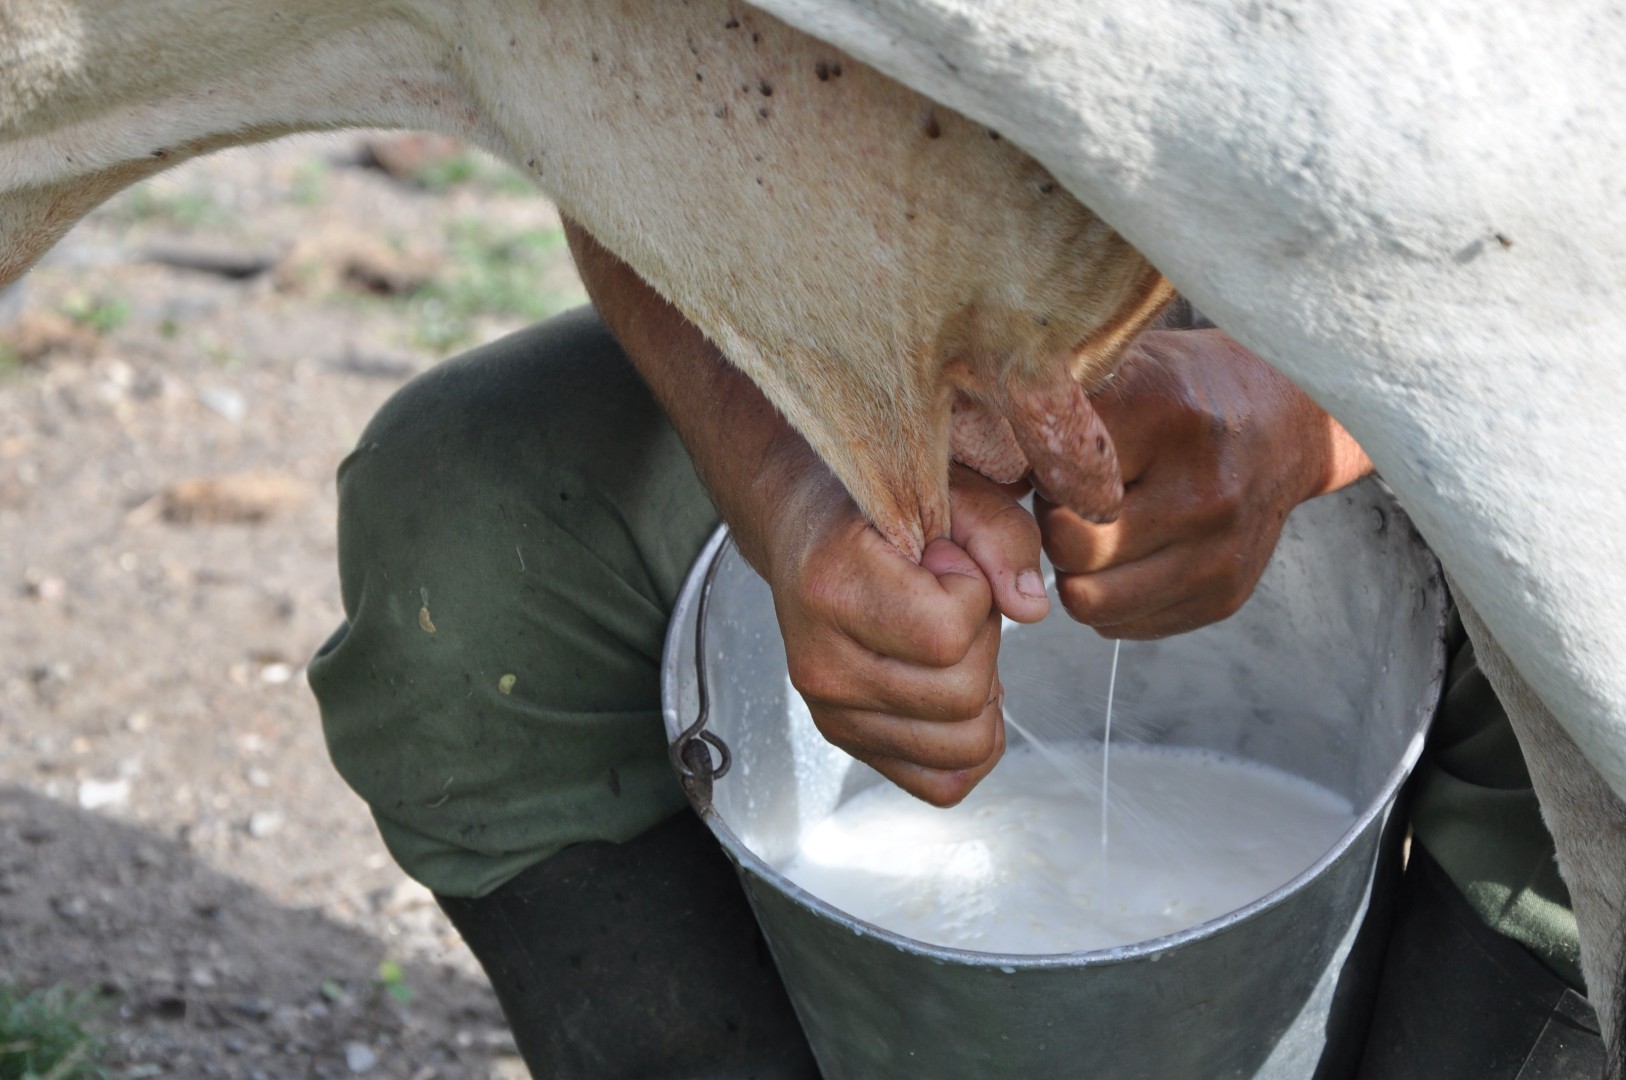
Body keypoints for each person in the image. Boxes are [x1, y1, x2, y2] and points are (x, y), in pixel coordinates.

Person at [307, 223, 1594, 1078]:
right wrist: (784, 473)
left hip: (1474, 323)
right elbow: (606, 94)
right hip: (873, 314)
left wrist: (1322, 406)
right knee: (471, 522)